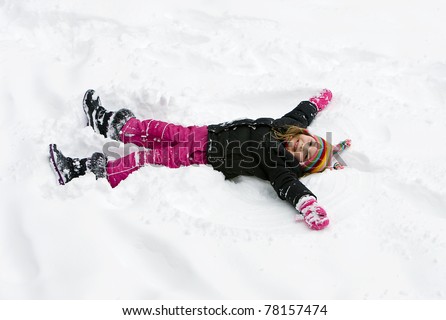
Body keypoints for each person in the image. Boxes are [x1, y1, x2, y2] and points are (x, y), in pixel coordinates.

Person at [49, 89, 351, 230]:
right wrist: (317, 101)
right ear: (307, 134)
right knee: (153, 129)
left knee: (145, 158)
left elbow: (288, 185)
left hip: (202, 154)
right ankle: (107, 123)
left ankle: (81, 170)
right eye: (310, 142)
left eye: (306, 155)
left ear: (299, 163)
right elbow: (303, 112)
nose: (303, 145)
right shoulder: (285, 125)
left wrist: (308, 203)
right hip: (204, 133)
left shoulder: (279, 164)